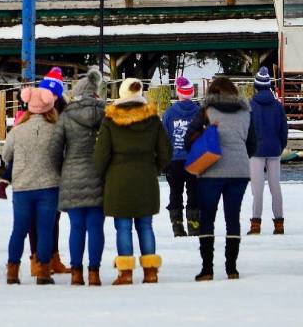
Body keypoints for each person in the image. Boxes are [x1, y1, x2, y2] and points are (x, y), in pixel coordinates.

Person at [94, 78, 170, 285]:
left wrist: (102, 176)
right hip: (146, 177)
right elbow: (165, 151)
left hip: (118, 180)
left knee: (123, 227)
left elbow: (101, 155)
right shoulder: (153, 119)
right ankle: (150, 271)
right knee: (146, 226)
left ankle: (126, 273)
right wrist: (153, 168)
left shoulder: (110, 120)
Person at [189, 76, 256, 281]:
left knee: (207, 217)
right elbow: (253, 143)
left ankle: (207, 269)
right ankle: (232, 269)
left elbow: (188, 137)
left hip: (211, 170)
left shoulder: (206, 111)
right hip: (239, 171)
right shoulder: (246, 112)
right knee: (232, 218)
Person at [0, 73, 64, 285]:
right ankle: (44, 271)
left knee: (19, 230)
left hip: (22, 188)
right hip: (49, 186)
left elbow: (6, 156)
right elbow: (62, 156)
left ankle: (12, 271)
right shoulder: (56, 129)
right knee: (45, 230)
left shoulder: (17, 130)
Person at [52, 68, 106, 286]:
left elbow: (55, 150)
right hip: (98, 176)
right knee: (95, 227)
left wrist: (62, 171)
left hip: (72, 174)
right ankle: (94, 273)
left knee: (76, 227)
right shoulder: (105, 114)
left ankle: (76, 272)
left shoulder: (66, 116)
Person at [248, 67, 287, 235]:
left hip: (255, 152)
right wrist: (280, 146)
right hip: (274, 149)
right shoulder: (278, 106)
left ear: (256, 86)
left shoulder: (250, 105)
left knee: (257, 190)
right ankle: (279, 224)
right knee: (275, 187)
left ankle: (255, 224)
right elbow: (283, 130)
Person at [162, 76, 201, 237]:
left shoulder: (170, 113)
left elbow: (164, 137)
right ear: (192, 94)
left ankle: (177, 225)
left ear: (178, 94)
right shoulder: (199, 112)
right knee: (194, 193)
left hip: (175, 159)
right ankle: (194, 224)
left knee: (175, 192)